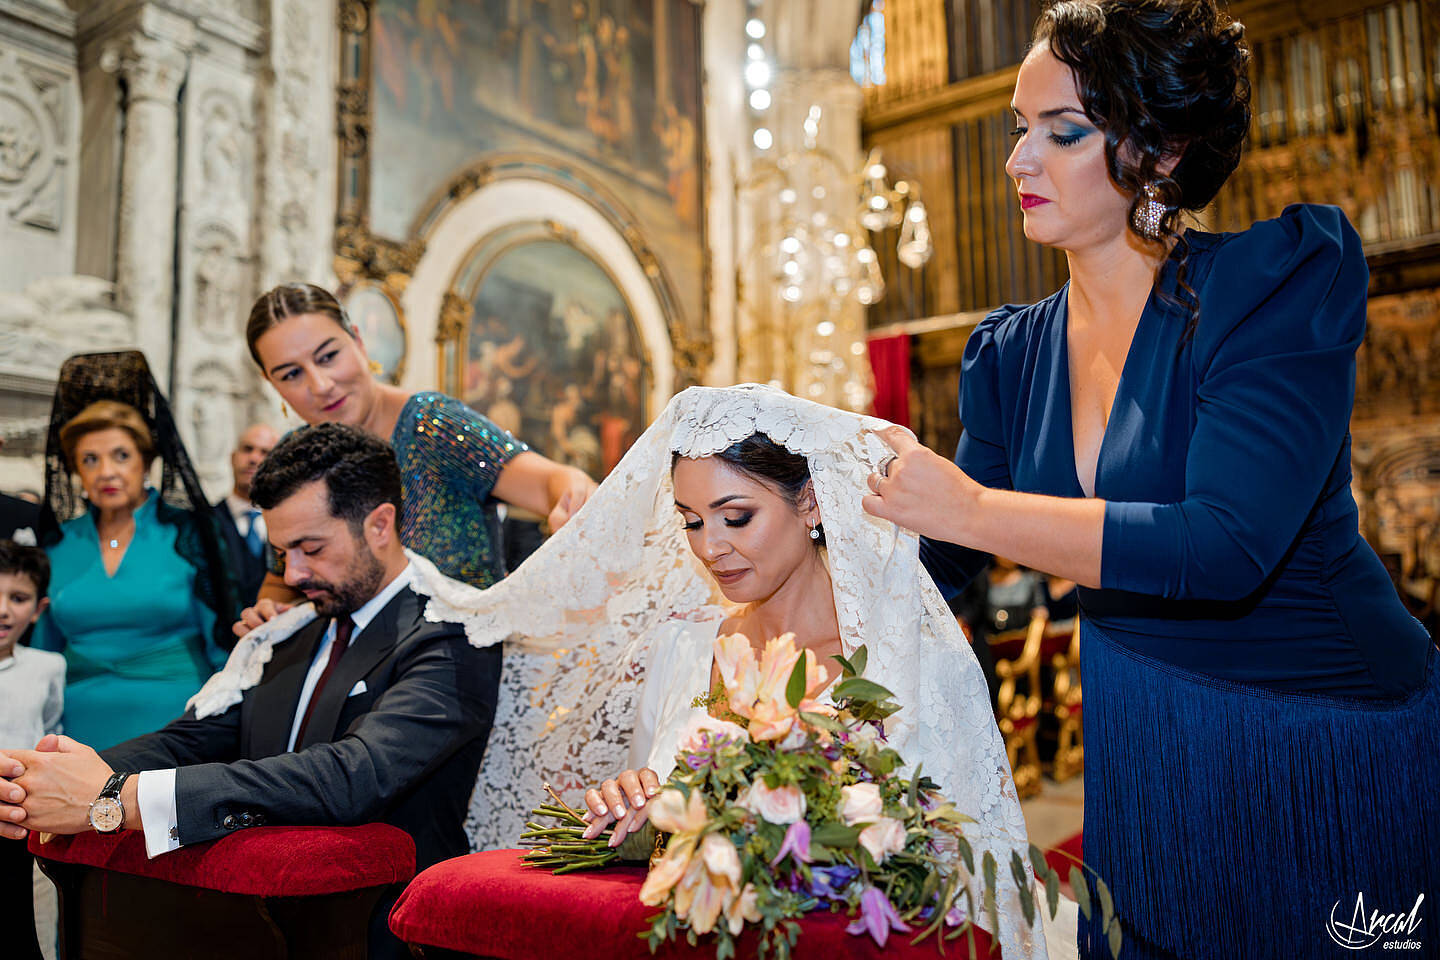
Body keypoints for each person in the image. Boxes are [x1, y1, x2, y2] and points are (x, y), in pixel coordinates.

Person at [863, 2, 1440, 957]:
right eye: (1019, 128)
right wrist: (791, 526)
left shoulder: (1269, 291)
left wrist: (971, 507)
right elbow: (939, 562)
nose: (1019, 160)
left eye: (1063, 132)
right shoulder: (1012, 356)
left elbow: (1223, 546)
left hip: (1323, 739)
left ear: (1162, 151)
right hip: (1144, 750)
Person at [416, 384, 1055, 960]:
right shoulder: (682, 648)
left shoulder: (903, 658)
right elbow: (657, 821)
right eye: (691, 522)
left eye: (736, 517)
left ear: (811, 503)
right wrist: (633, 803)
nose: (709, 547)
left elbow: (953, 862)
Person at [0, 424, 502, 960]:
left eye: (311, 548)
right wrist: (41, 777)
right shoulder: (289, 630)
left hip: (384, 930)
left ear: (380, 524)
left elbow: (354, 775)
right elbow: (191, 740)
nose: (294, 574)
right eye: (281, 553)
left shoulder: (456, 633)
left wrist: (119, 798)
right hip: (252, 922)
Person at [239, 282, 595, 612]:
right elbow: (281, 578)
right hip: (354, 658)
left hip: (462, 652)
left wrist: (573, 494)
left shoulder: (431, 425)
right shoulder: (297, 459)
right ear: (271, 383)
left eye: (328, 356)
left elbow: (553, 482)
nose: (320, 385)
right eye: (291, 374)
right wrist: (269, 609)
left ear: (358, 341)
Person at [31, 352, 237, 750]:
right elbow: (43, 652)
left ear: (146, 461)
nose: (106, 471)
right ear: (75, 470)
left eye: (121, 456)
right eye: (90, 460)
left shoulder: (188, 535)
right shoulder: (59, 543)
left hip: (177, 726)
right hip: (75, 732)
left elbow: (222, 645)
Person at [0, 540, 64, 960]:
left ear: (38, 609)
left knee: (35, 924)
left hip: (27, 821)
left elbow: (51, 728)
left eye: (18, 598)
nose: (3, 610)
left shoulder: (48, 666)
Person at [212, 423, 280, 604]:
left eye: (265, 452)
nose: (254, 458)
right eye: (247, 449)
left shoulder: (287, 525)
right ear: (233, 457)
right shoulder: (205, 521)